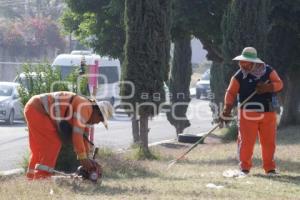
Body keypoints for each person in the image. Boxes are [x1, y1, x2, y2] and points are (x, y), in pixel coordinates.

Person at [219, 47, 283, 175]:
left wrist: (267, 87)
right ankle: (244, 168)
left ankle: (270, 168)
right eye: (241, 62)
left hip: (268, 113)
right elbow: (231, 92)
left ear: (254, 62)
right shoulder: (239, 75)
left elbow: (279, 84)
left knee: (269, 142)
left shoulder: (268, 71)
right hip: (247, 114)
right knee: (246, 142)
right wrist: (227, 109)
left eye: (246, 62)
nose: (243, 64)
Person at [24, 91, 113, 179]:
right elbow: (77, 136)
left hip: (33, 107)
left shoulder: (86, 110)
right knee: (52, 143)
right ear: (97, 112)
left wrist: (87, 158)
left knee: (38, 150)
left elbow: (84, 138)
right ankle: (42, 178)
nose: (97, 123)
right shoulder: (86, 108)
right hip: (39, 109)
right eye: (100, 120)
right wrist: (83, 159)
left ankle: (31, 177)